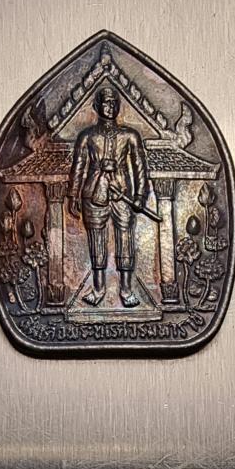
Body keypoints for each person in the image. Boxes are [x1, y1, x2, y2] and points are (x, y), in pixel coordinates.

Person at [67, 86, 149, 307]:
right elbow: (78, 167)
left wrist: (140, 195)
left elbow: (140, 167)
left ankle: (126, 289)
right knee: (96, 239)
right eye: (105, 102)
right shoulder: (87, 136)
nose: (110, 106)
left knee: (125, 238)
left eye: (114, 102)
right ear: (96, 106)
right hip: (94, 193)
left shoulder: (130, 136)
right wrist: (73, 195)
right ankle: (98, 288)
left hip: (122, 194)